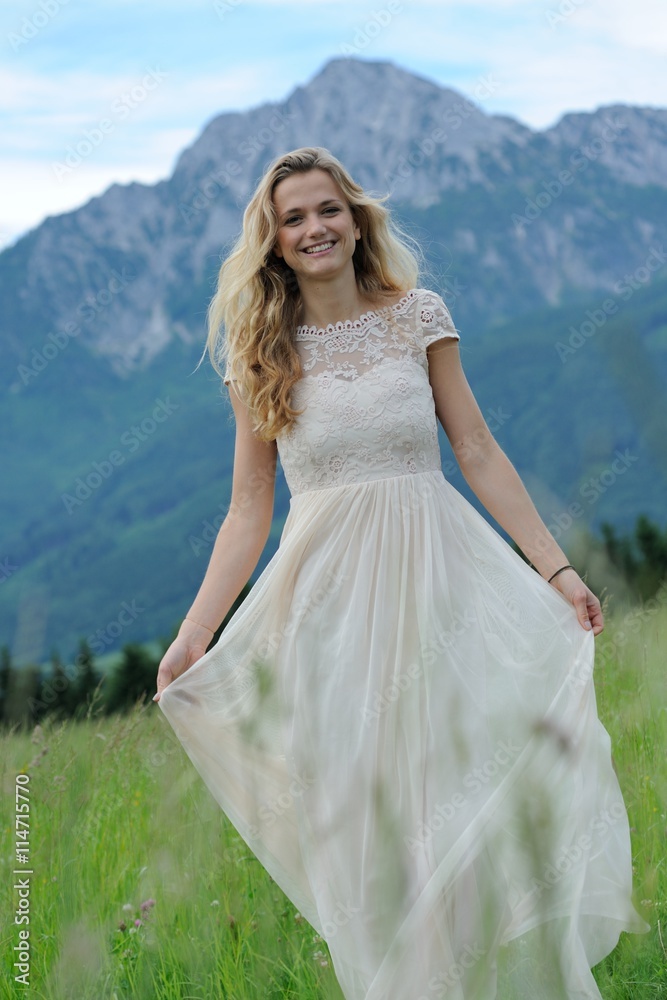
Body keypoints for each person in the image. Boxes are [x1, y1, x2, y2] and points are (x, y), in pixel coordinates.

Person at [154, 146, 647, 998]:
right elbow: (247, 509)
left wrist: (558, 571)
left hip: (446, 591)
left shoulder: (417, 314)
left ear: (356, 218)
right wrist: (195, 634)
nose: (314, 228)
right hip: (330, 612)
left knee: (470, 796)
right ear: (272, 242)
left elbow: (478, 452)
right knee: (374, 828)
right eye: (293, 218)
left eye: (327, 209)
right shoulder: (261, 348)